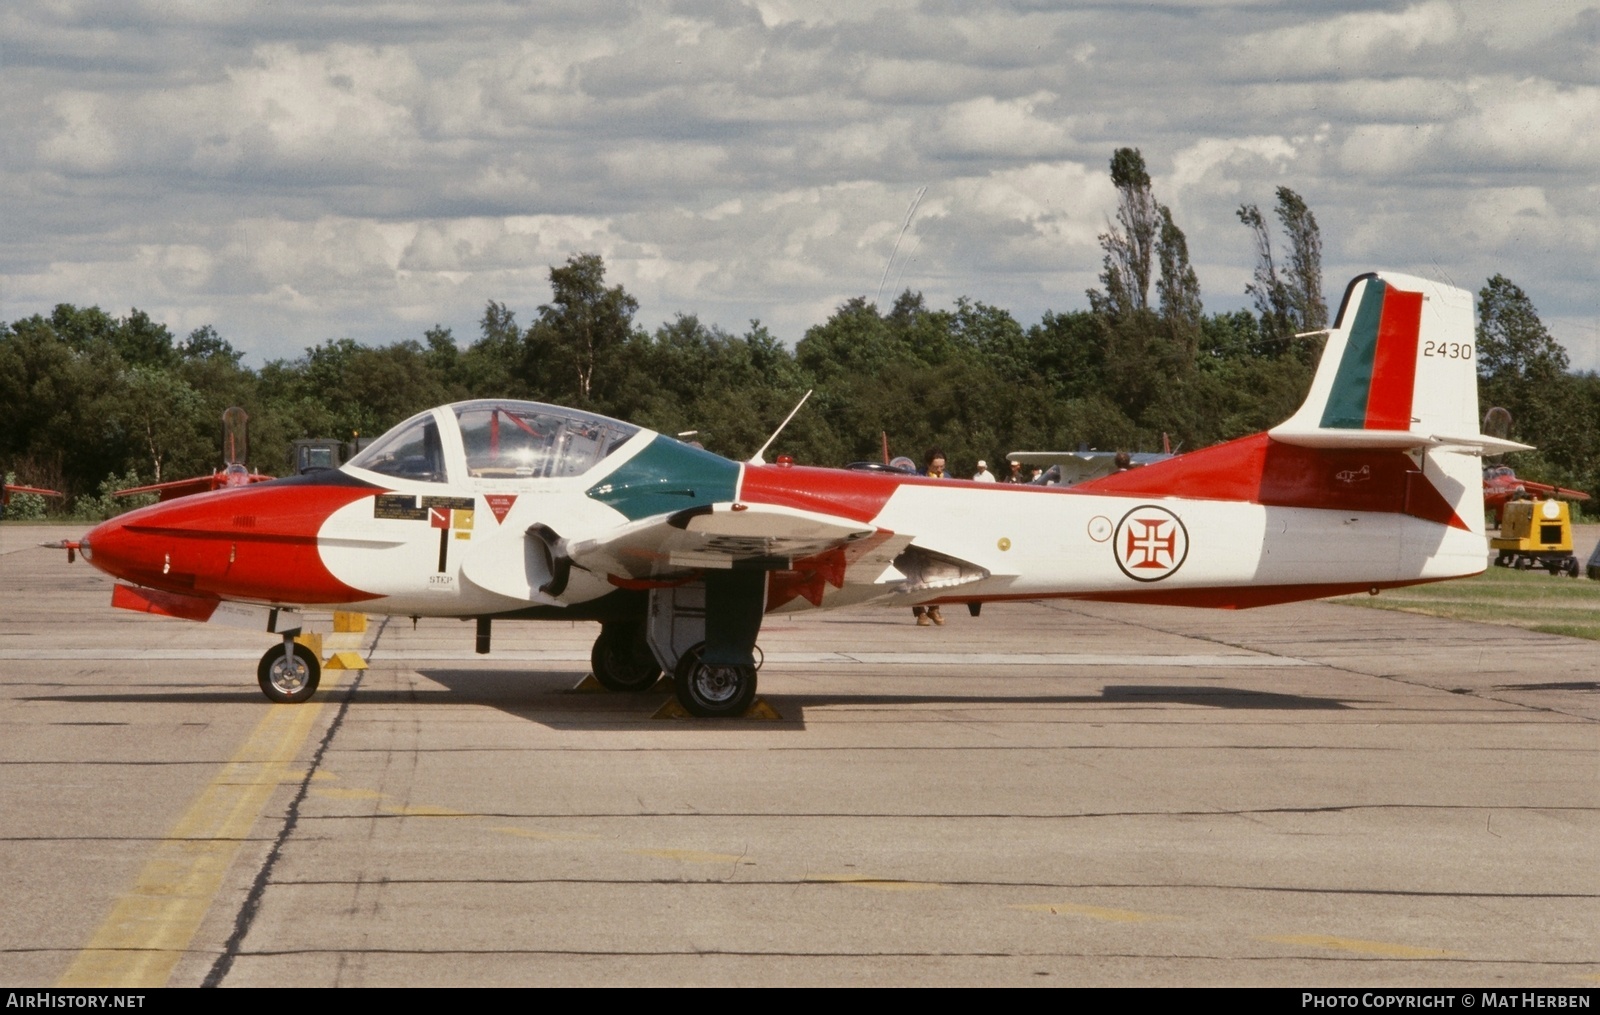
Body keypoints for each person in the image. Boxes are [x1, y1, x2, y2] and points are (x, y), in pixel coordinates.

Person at [914, 451, 949, 626]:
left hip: (941, 528)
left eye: (941, 466)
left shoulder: (948, 478)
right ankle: (920, 612)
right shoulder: (916, 477)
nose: (939, 469)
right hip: (921, 527)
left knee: (939, 571)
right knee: (917, 572)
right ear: (928, 465)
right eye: (935, 466)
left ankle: (934, 608)